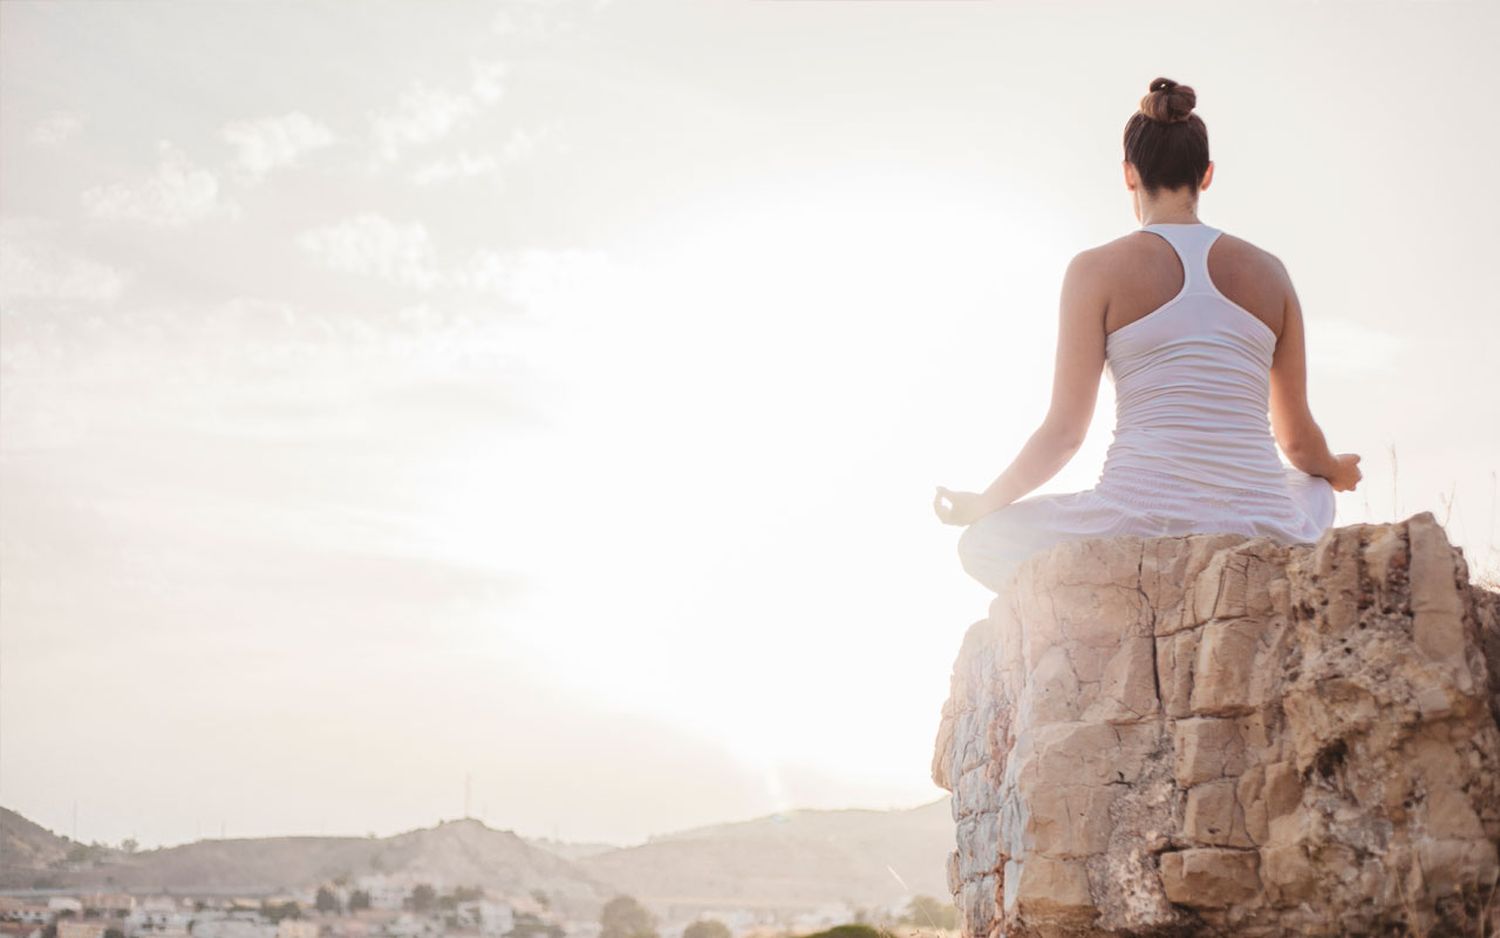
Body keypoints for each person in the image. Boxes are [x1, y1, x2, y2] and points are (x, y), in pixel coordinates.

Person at [934, 76, 1363, 595]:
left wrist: (984, 503)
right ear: (1205, 176)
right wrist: (1334, 471)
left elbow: (1064, 435)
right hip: (1262, 522)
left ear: (1129, 174)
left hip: (1138, 521)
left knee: (983, 543)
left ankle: (1129, 599)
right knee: (1312, 489)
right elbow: (1297, 442)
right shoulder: (1270, 273)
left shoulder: (1094, 270)